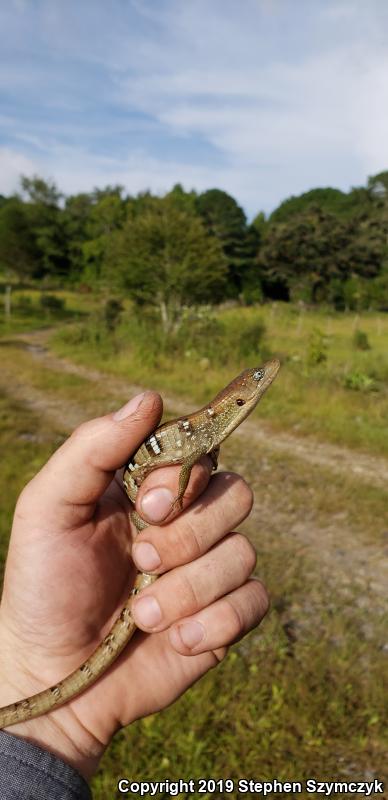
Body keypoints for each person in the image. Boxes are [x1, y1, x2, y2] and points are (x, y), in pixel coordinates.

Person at [0, 391, 269, 799]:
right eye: (250, 390)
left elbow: (185, 470)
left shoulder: (203, 437)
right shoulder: (200, 434)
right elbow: (181, 474)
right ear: (233, 404)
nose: (255, 394)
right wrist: (179, 491)